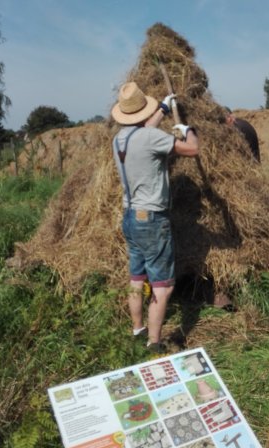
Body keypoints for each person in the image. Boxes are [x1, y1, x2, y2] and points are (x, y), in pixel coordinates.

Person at [111, 81, 199, 353]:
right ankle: (154, 343)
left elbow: (145, 132)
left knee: (137, 278)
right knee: (162, 286)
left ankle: (137, 329)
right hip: (151, 220)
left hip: (129, 217)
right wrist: (188, 130)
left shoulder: (120, 139)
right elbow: (192, 149)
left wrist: (162, 107)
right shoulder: (150, 138)